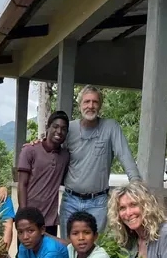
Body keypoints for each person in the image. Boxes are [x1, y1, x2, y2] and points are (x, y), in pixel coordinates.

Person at [60, 85, 141, 238]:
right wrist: (34, 146)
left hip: (98, 202)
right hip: (70, 200)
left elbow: (126, 157)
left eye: (95, 102)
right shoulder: (69, 129)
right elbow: (52, 149)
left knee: (94, 250)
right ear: (80, 105)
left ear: (100, 105)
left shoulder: (111, 127)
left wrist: (137, 187)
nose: (91, 106)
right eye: (86, 102)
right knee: (67, 248)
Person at [17, 111, 70, 236]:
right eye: (55, 127)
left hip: (50, 221)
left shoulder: (65, 156)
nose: (59, 131)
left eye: (63, 129)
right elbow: (22, 185)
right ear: (48, 127)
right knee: (26, 255)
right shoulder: (29, 151)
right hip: (29, 219)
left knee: (50, 255)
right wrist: (25, 216)